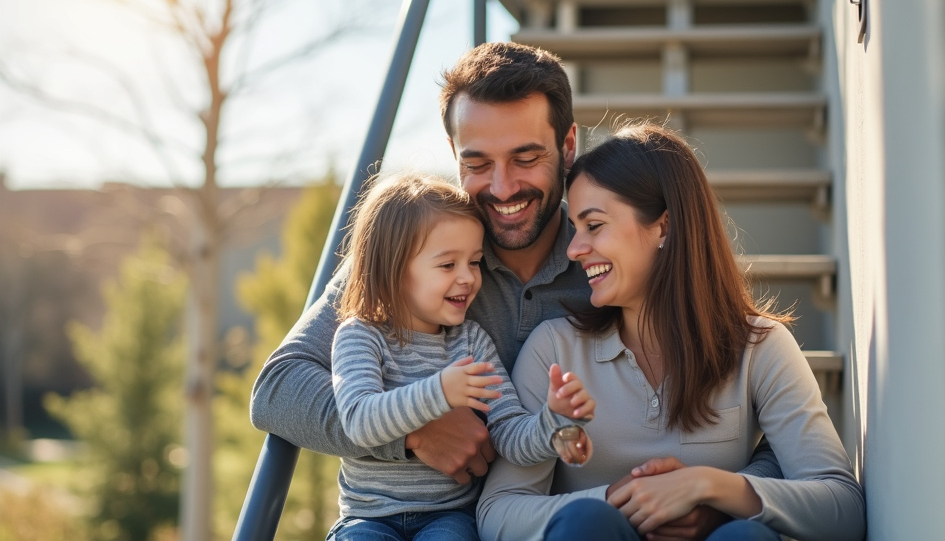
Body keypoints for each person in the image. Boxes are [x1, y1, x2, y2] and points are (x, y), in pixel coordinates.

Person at [250, 42, 784, 539]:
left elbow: (759, 420)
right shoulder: (415, 259)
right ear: (454, 153)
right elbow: (277, 389)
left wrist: (716, 496)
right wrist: (412, 436)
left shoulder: (611, 254)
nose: (502, 187)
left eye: (525, 158)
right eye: (477, 163)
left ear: (568, 144)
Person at [476, 123, 866, 541]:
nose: (573, 249)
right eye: (575, 228)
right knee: (586, 523)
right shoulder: (554, 350)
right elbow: (498, 511)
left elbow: (842, 509)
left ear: (663, 227)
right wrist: (617, 500)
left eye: (594, 225)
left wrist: (711, 489)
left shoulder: (760, 346)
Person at [328, 173, 594, 540]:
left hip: (449, 516)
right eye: (448, 265)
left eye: (474, 262)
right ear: (394, 270)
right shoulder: (360, 336)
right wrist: (440, 392)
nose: (468, 278)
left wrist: (551, 422)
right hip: (368, 518)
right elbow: (359, 421)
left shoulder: (471, 342)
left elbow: (507, 433)